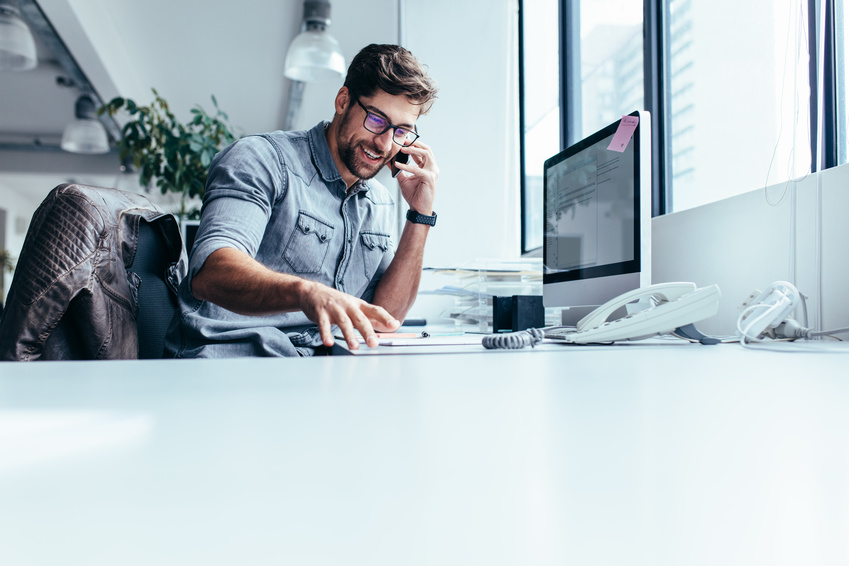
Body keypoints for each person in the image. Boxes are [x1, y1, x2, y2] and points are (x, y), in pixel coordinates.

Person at [164, 44, 439, 357]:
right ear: (343, 101)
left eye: (401, 131)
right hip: (230, 360)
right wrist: (306, 293)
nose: (386, 143)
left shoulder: (378, 202)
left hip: (315, 372)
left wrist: (420, 214)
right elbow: (210, 273)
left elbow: (383, 319)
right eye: (376, 120)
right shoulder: (261, 160)